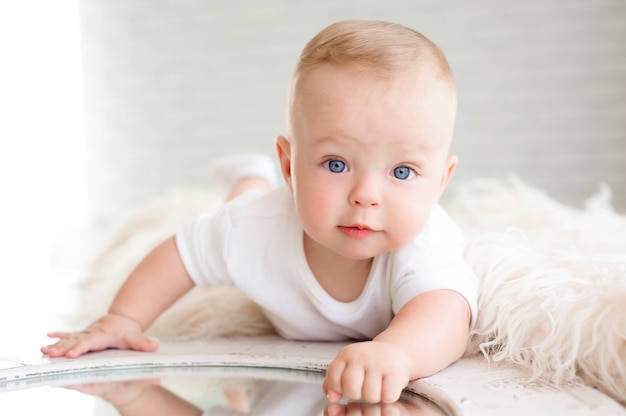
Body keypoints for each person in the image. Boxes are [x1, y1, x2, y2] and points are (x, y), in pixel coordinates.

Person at [42, 19, 478, 404]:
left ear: (441, 180)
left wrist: (398, 351)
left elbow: (445, 315)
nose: (366, 196)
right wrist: (123, 318)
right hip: (262, 213)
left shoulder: (426, 242)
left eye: (402, 171)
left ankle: (253, 178)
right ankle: (251, 178)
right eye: (336, 164)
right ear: (290, 166)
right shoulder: (254, 228)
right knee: (239, 210)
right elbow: (182, 253)